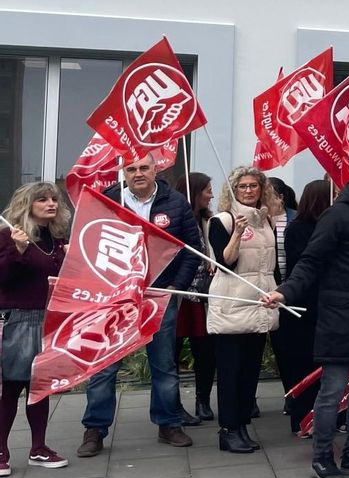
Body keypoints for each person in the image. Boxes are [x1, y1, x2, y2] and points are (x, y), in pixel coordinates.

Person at [266, 152, 349, 478]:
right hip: (341, 318)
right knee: (331, 393)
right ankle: (323, 457)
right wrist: (286, 291)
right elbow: (311, 261)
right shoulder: (336, 216)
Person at [80, 155, 201, 458]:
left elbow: (192, 248)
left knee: (163, 364)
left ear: (155, 169)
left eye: (143, 167)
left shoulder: (175, 202)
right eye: (131, 169)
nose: (138, 174)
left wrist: (178, 287)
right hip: (115, 298)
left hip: (160, 295)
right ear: (124, 171)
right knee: (105, 365)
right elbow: (89, 244)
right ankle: (95, 429)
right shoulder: (108, 200)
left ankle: (168, 423)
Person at [206, 167, 280, 454]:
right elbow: (227, 264)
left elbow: (269, 265)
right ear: (233, 191)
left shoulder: (266, 221)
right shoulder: (221, 221)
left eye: (253, 186)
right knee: (230, 372)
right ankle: (228, 430)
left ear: (262, 189)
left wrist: (277, 292)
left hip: (260, 304)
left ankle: (242, 425)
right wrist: (236, 233)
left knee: (250, 371)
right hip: (232, 305)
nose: (249, 191)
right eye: (242, 187)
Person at [0, 183, 71, 474]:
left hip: (48, 319)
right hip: (18, 318)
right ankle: (1, 451)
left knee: (40, 389)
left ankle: (38, 448)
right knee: (12, 387)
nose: (51, 203)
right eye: (42, 199)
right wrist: (16, 250)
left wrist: (69, 257)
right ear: (27, 204)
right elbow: (2, 278)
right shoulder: (9, 235)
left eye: (54, 199)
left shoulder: (56, 237)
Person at [277, 180, 332, 436]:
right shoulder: (299, 228)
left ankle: (324, 417)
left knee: (322, 367)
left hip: (322, 305)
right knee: (303, 366)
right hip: (303, 306)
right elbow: (304, 265)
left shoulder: (326, 227)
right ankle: (301, 418)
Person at [173, 173, 216, 423]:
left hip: (204, 295)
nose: (211, 195)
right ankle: (174, 404)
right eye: (207, 190)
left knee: (205, 351)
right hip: (178, 294)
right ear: (195, 191)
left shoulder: (209, 220)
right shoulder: (178, 219)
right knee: (172, 353)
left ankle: (203, 400)